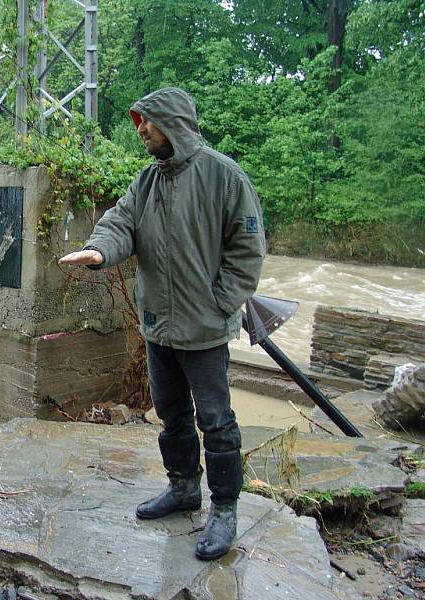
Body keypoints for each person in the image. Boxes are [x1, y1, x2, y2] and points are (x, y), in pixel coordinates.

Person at [58, 88, 265, 560]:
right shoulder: (147, 181)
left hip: (205, 330)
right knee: (172, 416)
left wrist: (222, 303)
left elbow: (248, 248)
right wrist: (99, 251)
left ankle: (225, 510)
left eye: (147, 122)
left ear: (171, 122)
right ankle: (184, 489)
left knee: (216, 421)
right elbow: (120, 224)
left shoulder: (223, 175)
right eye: (139, 122)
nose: (140, 130)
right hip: (158, 326)